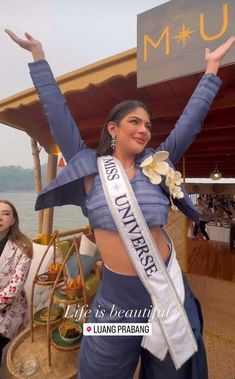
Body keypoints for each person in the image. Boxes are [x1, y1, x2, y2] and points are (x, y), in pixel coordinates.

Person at [6, 29, 235, 379]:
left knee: (175, 372)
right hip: (115, 304)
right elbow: (57, 113)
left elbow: (190, 121)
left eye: (147, 123)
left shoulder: (158, 165)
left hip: (167, 292)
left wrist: (211, 71)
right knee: (99, 370)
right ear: (113, 129)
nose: (144, 129)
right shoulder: (89, 168)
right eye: (134, 121)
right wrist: (38, 58)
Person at [0, 200, 32, 363]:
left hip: (11, 307)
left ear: (13, 220)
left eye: (6, 214)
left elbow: (13, 290)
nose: (0, 217)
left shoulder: (23, 247)